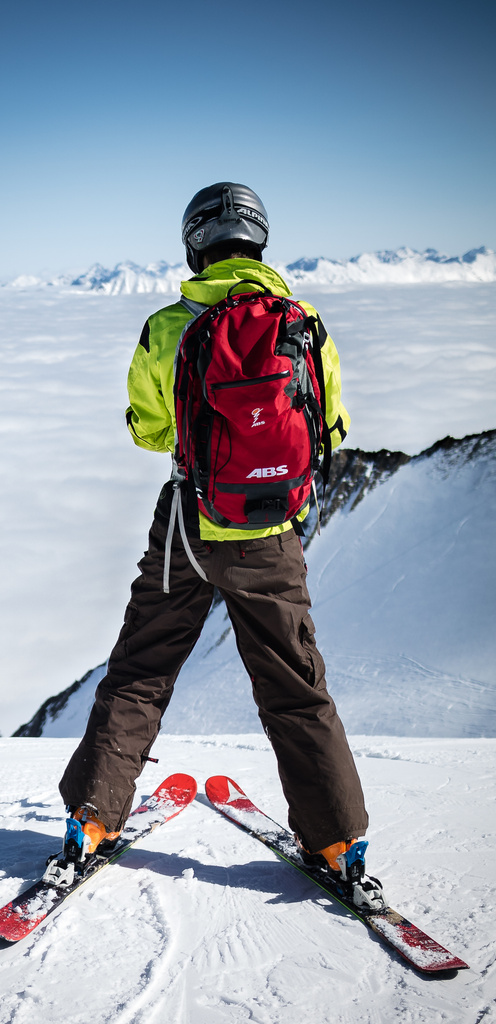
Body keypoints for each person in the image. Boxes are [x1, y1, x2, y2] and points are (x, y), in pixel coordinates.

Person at [58, 181, 373, 893]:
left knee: (141, 669)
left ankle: (93, 818)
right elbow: (332, 428)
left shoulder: (169, 326)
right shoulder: (305, 322)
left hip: (184, 528)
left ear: (195, 241)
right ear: (259, 238)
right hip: (269, 533)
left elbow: (148, 430)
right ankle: (334, 844)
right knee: (295, 686)